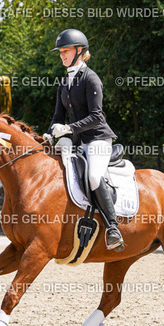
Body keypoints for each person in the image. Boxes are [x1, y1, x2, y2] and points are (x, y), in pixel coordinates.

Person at [43, 28, 124, 251]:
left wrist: (69, 128)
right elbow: (57, 117)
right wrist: (49, 133)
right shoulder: (64, 81)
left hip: (98, 140)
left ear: (79, 51)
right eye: (60, 52)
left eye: (65, 51)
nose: (62, 55)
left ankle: (113, 228)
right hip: (77, 141)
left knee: (94, 177)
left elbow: (97, 117)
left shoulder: (91, 78)